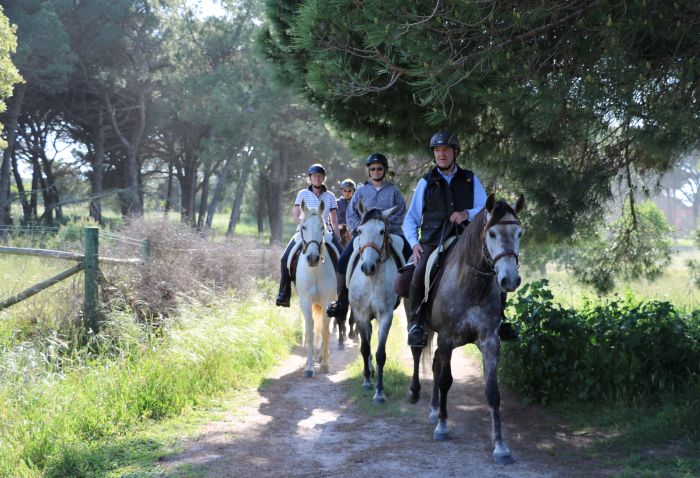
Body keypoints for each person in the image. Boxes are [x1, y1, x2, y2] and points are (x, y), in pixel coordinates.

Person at [402, 131, 519, 347]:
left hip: (467, 240)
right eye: (437, 150)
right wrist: (414, 244)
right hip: (433, 241)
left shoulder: (470, 178)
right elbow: (410, 220)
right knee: (419, 270)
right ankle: (417, 323)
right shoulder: (425, 182)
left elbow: (486, 210)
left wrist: (467, 214)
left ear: (455, 152)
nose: (441, 154)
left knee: (495, 267)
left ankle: (500, 318)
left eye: (446, 149)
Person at [326, 153, 412, 321]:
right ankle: (342, 303)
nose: (376, 171)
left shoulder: (393, 191)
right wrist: (359, 229)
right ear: (369, 171)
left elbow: (401, 212)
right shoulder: (361, 191)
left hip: (391, 234)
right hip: (364, 236)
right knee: (343, 260)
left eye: (379, 168)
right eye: (372, 168)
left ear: (384, 170)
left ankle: (414, 306)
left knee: (412, 260)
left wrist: (386, 228)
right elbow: (351, 214)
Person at [275, 163, 343, 307]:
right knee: (284, 259)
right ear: (310, 178)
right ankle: (284, 293)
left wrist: (337, 237)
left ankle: (343, 295)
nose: (317, 179)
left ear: (323, 178)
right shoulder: (302, 194)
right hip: (304, 232)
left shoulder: (330, 196)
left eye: (319, 176)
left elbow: (334, 219)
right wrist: (307, 224)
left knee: (343, 258)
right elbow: (296, 215)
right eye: (314, 176)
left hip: (325, 232)